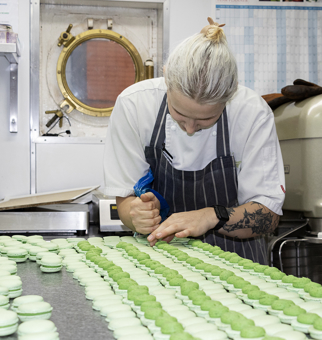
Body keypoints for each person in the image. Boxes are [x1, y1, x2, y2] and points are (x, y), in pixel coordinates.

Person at [103, 18, 285, 264]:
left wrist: (211, 217)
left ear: (230, 95)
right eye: (179, 114)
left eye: (206, 119)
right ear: (167, 79)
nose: (190, 128)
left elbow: (268, 217)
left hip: (238, 262)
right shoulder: (135, 105)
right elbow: (125, 201)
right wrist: (136, 215)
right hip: (160, 260)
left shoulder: (251, 113)